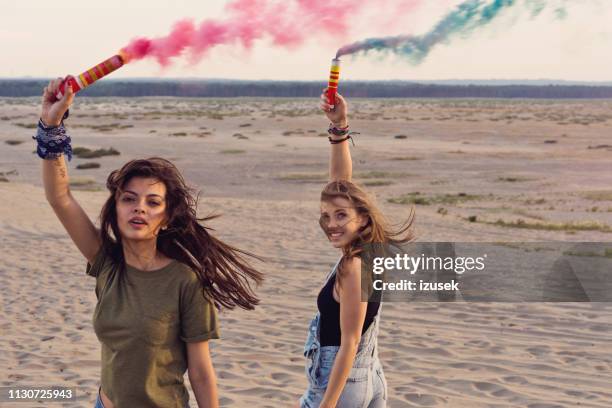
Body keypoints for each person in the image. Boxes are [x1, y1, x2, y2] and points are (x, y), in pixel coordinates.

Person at [35, 77, 263, 408]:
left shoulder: (185, 281)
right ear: (116, 208)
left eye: (153, 202)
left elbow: (200, 371)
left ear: (167, 217)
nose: (140, 207)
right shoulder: (107, 263)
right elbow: (60, 197)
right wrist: (50, 125)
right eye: (129, 199)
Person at [297, 90, 415, 408]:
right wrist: (339, 127)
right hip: (370, 375)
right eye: (326, 216)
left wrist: (327, 404)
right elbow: (341, 186)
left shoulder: (354, 266)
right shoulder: (371, 252)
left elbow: (349, 342)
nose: (331, 224)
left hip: (342, 383)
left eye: (341, 217)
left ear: (362, 219)